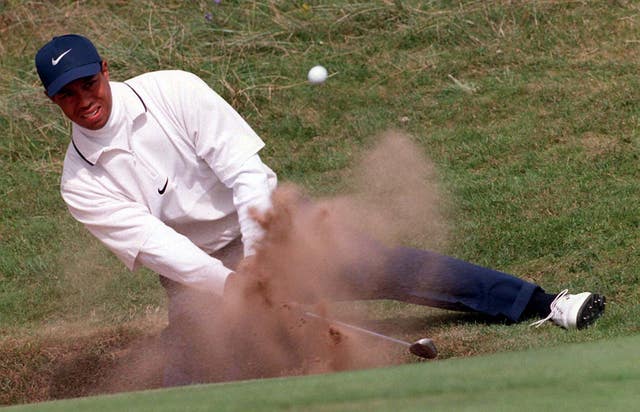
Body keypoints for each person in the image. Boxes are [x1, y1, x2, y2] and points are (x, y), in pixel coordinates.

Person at [35, 34, 605, 386]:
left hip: (267, 226)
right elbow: (159, 247)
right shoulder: (79, 182)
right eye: (67, 94)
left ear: (105, 68)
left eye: (88, 82)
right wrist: (233, 285)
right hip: (197, 270)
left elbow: (245, 175)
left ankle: (544, 302)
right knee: (194, 370)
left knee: (380, 265)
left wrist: (259, 264)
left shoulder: (174, 92)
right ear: (53, 100)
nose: (84, 100)